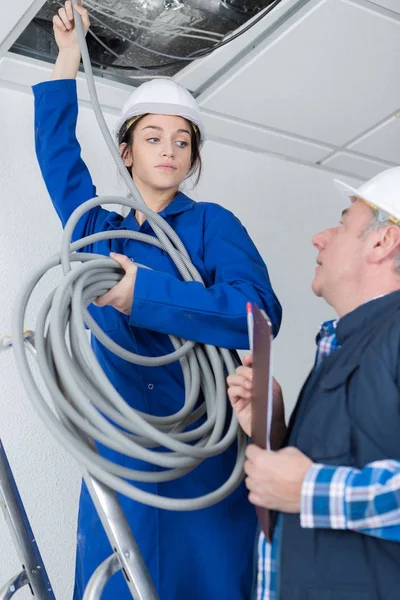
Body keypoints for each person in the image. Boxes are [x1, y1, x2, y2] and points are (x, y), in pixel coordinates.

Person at [32, 2, 282, 599]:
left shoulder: (214, 225)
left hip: (205, 459)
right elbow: (60, 163)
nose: (168, 150)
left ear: (193, 157)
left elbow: (258, 317)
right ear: (127, 152)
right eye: (152, 137)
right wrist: (68, 60)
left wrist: (142, 294)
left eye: (181, 141)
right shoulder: (104, 234)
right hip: (122, 461)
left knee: (212, 584)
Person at [227, 166, 400, 600]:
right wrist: (273, 427)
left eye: (343, 224)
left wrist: (308, 490)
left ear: (383, 241)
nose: (320, 237)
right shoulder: (347, 345)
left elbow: (307, 486)